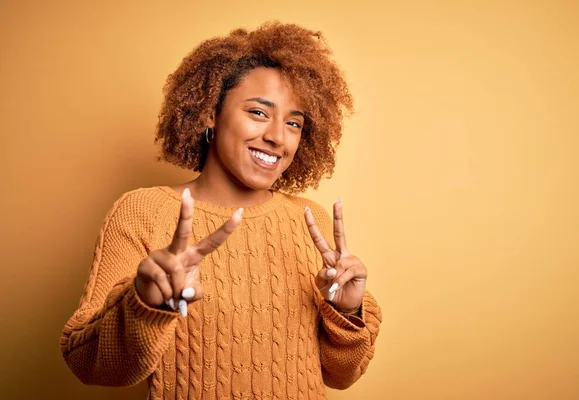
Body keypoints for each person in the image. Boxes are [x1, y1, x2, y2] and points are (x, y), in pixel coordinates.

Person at [60, 21, 382, 399]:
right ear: (210, 112)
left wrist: (347, 311)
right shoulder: (142, 212)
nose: (278, 136)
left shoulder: (310, 220)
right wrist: (145, 303)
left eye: (294, 122)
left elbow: (341, 376)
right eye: (259, 113)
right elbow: (88, 364)